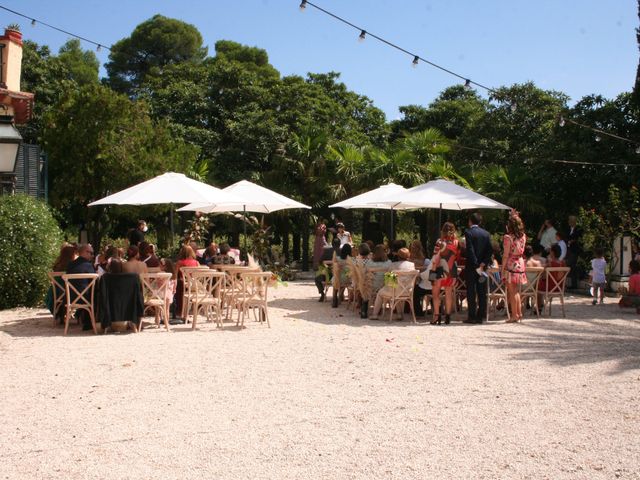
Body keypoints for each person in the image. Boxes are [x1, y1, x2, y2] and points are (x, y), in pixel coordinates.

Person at [370, 248, 415, 320]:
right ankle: (399, 314)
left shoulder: (393, 265)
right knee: (397, 289)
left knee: (381, 293)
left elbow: (389, 281)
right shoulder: (412, 265)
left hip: (396, 291)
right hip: (408, 291)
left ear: (398, 256)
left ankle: (375, 314)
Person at [464, 212, 492, 324]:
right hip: (483, 267)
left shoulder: (468, 232)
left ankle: (472, 316)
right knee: (482, 292)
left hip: (471, 267)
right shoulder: (486, 234)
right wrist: (483, 263)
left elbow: (470, 250)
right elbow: (489, 250)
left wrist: (476, 265)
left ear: (470, 221)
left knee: (471, 291)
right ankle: (480, 316)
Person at [431, 223, 459, 325]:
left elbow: (435, 258)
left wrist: (432, 274)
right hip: (452, 271)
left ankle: (436, 316)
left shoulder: (439, 242)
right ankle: (447, 317)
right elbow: (457, 257)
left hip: (439, 269)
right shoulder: (456, 242)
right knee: (448, 293)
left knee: (435, 294)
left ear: (442, 230)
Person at [502, 211, 527, 323]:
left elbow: (506, 254)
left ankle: (514, 315)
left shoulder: (508, 237)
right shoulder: (523, 236)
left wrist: (502, 268)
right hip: (520, 262)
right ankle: (519, 313)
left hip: (511, 263)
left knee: (512, 291)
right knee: (516, 291)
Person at [65, 243, 96, 330]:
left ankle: (79, 314)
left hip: (70, 297)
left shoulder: (70, 264)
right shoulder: (88, 265)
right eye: (91, 253)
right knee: (96, 293)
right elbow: (94, 282)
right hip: (85, 298)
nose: (92, 256)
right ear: (85, 252)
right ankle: (89, 322)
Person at [174, 245, 200, 320]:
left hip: (184, 285)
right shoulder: (197, 263)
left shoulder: (179, 262)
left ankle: (179, 311)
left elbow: (175, 275)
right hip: (194, 285)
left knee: (179, 282)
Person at [566, 215, 583, 288]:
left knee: (572, 266)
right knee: (571, 266)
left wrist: (572, 241)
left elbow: (578, 238)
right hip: (569, 249)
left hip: (575, 250)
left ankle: (574, 284)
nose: (569, 222)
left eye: (571, 221)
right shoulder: (568, 229)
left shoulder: (578, 229)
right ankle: (572, 284)